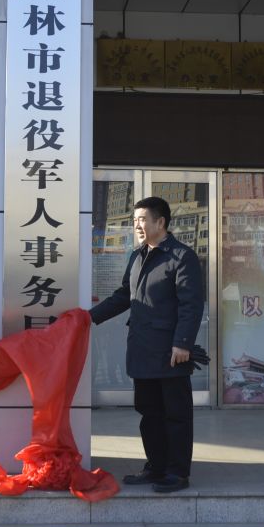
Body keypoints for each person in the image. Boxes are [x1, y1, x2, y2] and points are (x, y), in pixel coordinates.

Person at [89, 196, 204, 493]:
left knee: (175, 414)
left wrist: (182, 343)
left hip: (170, 352)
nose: (136, 225)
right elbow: (123, 296)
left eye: (142, 219)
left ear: (160, 222)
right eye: (134, 220)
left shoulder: (182, 256)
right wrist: (87, 318)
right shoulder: (138, 256)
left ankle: (177, 473)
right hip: (142, 348)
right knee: (149, 412)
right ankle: (155, 467)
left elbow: (191, 305)